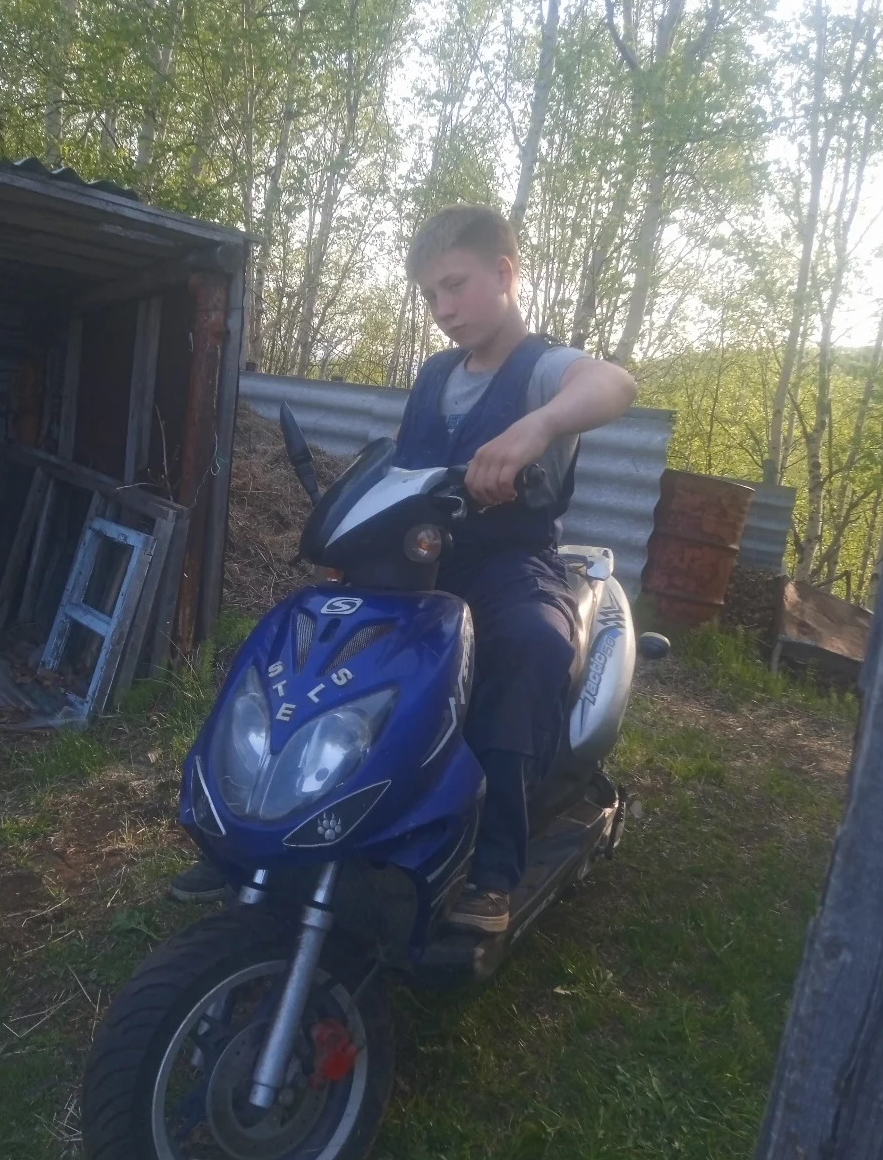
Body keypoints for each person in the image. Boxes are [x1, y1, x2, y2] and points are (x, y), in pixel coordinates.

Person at [169, 204, 636, 929]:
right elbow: (403, 463)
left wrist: (537, 426)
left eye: (455, 285)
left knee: (531, 645)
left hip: (508, 566)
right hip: (418, 564)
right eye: (429, 294)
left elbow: (616, 385)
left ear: (504, 273)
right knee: (308, 643)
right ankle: (256, 822)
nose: (442, 308)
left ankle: (495, 867)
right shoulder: (435, 374)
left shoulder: (544, 369)